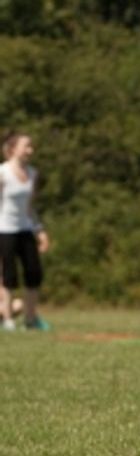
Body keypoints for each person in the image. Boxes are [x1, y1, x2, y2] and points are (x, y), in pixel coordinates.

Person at [1, 132, 51, 331]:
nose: (30, 150)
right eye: (26, 146)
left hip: (26, 229)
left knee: (34, 273)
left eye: (31, 147)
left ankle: (31, 319)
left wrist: (40, 230)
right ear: (13, 149)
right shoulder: (2, 172)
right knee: (9, 276)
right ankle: (7, 320)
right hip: (4, 230)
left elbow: (30, 207)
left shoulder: (32, 173)